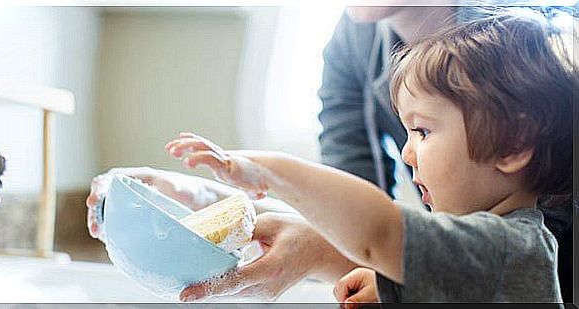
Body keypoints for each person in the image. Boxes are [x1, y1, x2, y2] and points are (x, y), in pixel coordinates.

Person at [164, 8, 574, 302]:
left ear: (514, 145)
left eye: (424, 131)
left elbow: (375, 231)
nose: (408, 154)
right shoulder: (493, 249)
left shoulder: (510, 248)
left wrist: (269, 170)